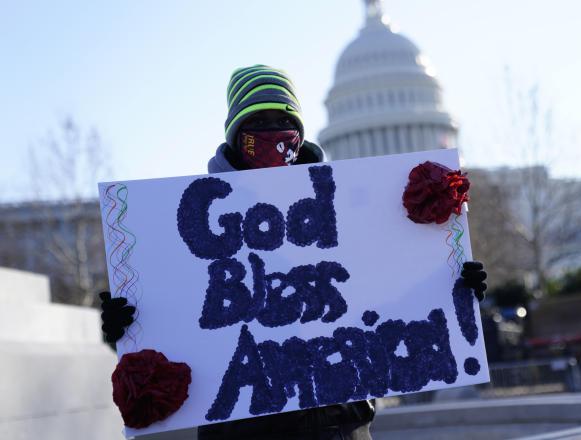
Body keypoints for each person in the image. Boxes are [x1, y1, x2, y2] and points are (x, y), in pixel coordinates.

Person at [100, 65, 487, 440]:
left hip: (340, 424)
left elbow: (390, 295)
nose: (271, 134)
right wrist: (129, 327)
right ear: (235, 134)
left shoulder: (354, 216)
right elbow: (180, 321)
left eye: (280, 121)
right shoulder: (188, 226)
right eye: (257, 123)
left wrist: (450, 284)